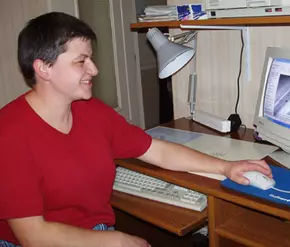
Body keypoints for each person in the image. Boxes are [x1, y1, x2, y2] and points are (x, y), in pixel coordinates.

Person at [0, 12, 272, 247]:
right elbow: (33, 236)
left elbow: (158, 151)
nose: (93, 69)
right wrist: (115, 240)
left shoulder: (92, 112)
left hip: (97, 234)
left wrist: (225, 168)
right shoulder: (9, 134)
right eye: (81, 61)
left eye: (91, 59)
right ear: (44, 68)